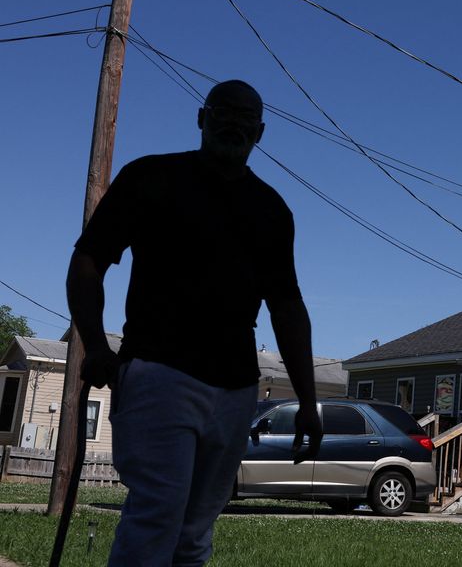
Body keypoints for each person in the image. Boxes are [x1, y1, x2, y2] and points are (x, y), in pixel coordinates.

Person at [66, 80, 322, 566]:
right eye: (223, 111)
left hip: (235, 388)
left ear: (260, 133)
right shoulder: (151, 178)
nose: (234, 123)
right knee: (157, 515)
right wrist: (96, 346)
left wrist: (309, 401)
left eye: (246, 118)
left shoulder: (272, 211)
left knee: (196, 529)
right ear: (201, 118)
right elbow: (88, 262)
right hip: (159, 373)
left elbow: (287, 307)